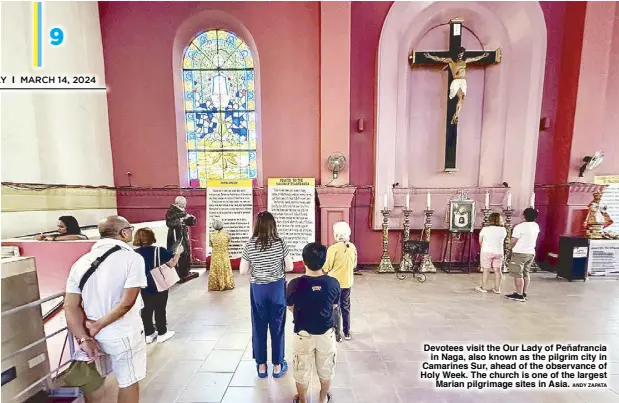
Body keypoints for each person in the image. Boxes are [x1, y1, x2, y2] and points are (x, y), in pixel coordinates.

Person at [64, 216, 146, 403]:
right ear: (124, 232)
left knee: (94, 379)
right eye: (130, 228)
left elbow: (70, 305)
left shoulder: (81, 262)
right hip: (123, 332)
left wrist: (84, 338)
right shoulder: (133, 258)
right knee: (128, 381)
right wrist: (99, 325)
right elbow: (127, 303)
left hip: (90, 332)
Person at [240, 211, 293, 378]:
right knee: (277, 327)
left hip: (258, 290)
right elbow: (290, 266)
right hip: (277, 288)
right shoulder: (280, 242)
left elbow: (242, 270)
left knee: (259, 326)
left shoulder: (250, 244)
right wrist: (276, 268)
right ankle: (277, 365)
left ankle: (262, 366)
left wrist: (256, 269)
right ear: (273, 225)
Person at [287, 243, 340, 403]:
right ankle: (323, 398)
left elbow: (290, 307)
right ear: (324, 262)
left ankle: (303, 400)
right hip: (326, 333)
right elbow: (334, 306)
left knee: (301, 370)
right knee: (326, 370)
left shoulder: (294, 284)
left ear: (303, 261)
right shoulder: (333, 283)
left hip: (303, 334)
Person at [133, 228, 183, 344]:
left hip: (142, 284)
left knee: (145, 309)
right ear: (152, 237)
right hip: (158, 283)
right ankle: (162, 333)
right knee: (160, 308)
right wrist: (178, 253)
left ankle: (149, 334)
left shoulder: (134, 253)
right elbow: (172, 264)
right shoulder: (159, 250)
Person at [423, 47, 490, 124]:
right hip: (456, 81)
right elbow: (439, 59)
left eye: (462, 53)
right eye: (459, 53)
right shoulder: (451, 61)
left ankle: (456, 115)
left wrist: (483, 56)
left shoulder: (464, 61)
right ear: (457, 54)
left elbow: (474, 59)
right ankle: (455, 116)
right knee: (458, 97)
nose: (461, 55)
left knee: (462, 97)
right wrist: (430, 56)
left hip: (463, 81)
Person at [323, 221, 357, 341]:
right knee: (346, 307)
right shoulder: (352, 247)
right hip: (347, 282)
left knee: (334, 307)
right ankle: (347, 332)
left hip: (334, 284)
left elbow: (326, 267)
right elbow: (354, 265)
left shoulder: (333, 249)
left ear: (336, 234)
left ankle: (337, 334)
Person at [505, 208, 540, 302]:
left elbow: (513, 241)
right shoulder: (536, 226)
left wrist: (509, 247)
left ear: (524, 216)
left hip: (520, 252)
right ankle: (524, 292)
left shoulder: (520, 227)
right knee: (526, 272)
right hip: (530, 252)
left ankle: (519, 295)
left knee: (517, 274)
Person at [165, 196, 197, 281]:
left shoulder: (181, 210)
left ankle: (185, 271)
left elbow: (188, 222)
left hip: (183, 234)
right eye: (183, 204)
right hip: (176, 235)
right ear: (178, 203)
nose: (184, 205)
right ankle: (180, 273)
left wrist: (191, 218)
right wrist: (181, 220)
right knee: (178, 252)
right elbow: (170, 223)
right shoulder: (171, 211)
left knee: (186, 252)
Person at [476, 213, 507, 294]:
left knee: (486, 270)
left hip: (486, 251)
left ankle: (483, 287)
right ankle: (497, 289)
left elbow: (480, 241)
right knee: (498, 270)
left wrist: (483, 246)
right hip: (499, 252)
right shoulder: (503, 230)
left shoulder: (485, 229)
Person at [208, 219, 235, 291]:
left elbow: (210, 245)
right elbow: (229, 242)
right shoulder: (226, 234)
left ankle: (216, 285)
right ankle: (227, 283)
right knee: (225, 268)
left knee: (215, 270)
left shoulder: (211, 235)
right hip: (224, 254)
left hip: (215, 255)